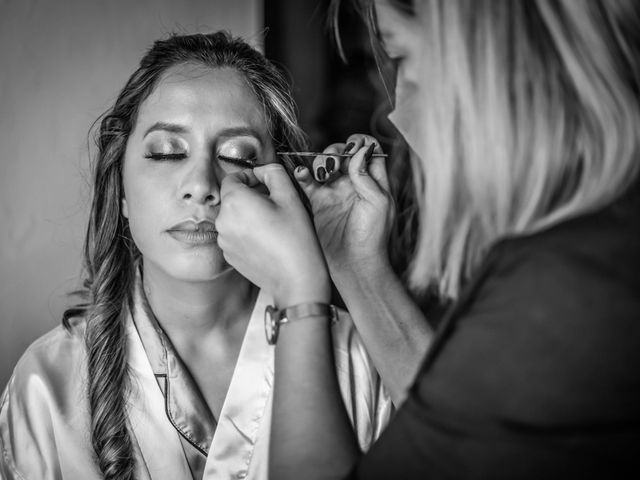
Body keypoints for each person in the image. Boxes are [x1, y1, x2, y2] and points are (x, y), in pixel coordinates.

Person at [214, 0, 640, 478]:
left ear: (494, 59)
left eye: (404, 60)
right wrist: (354, 262)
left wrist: (297, 295)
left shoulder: (573, 290)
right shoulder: (587, 252)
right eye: (167, 151)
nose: (394, 116)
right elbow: (469, 443)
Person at [0, 32, 393, 480]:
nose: (202, 184)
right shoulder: (44, 387)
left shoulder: (357, 361)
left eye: (237, 156)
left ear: (280, 182)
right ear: (121, 188)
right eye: (167, 152)